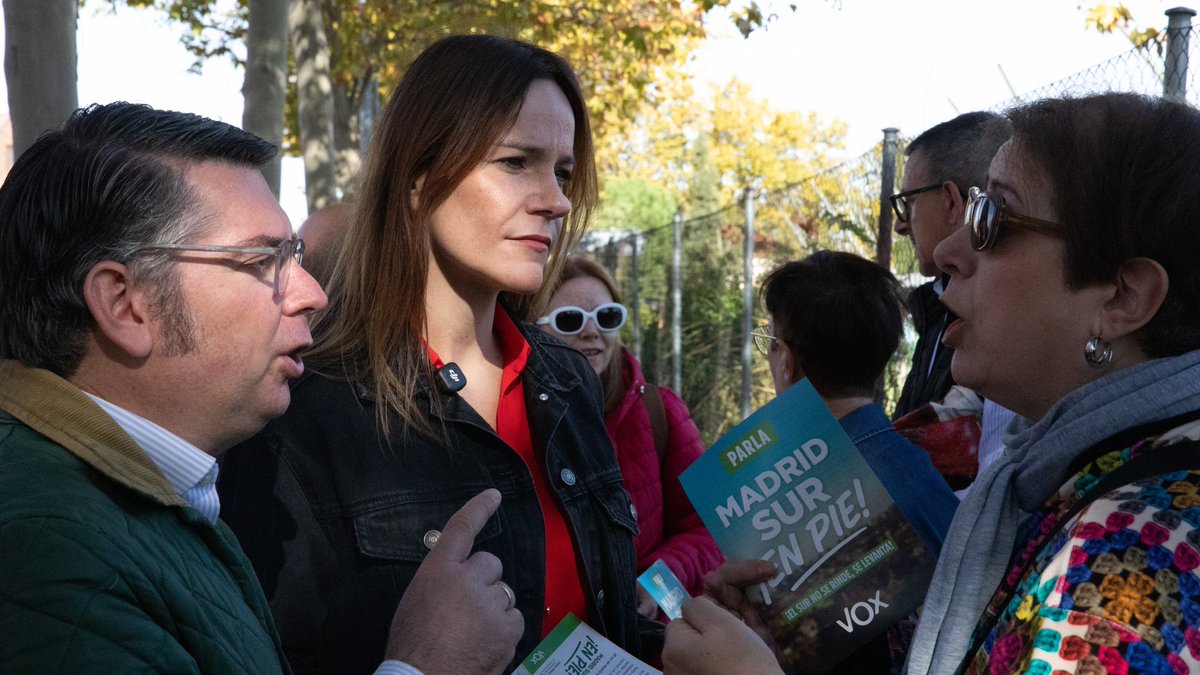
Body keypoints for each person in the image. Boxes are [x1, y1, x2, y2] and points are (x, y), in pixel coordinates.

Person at [666, 92, 1200, 675]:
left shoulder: (1131, 558)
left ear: (1123, 296)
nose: (946, 251)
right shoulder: (1063, 482)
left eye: (994, 220)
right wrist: (798, 635)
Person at [0, 102, 521, 674]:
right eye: (260, 260)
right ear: (126, 304)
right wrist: (426, 665)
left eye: (292, 254)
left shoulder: (139, 496)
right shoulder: (46, 548)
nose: (311, 294)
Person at [218, 35, 658, 675]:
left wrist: (682, 647)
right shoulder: (302, 408)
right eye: (516, 162)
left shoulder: (567, 383)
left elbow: (589, 634)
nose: (557, 200)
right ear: (419, 177)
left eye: (562, 172)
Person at [538, 256, 723, 614]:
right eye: (570, 320)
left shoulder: (660, 412)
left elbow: (710, 529)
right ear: (533, 328)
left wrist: (658, 584)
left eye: (606, 317)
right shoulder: (511, 423)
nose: (591, 332)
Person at [890, 111, 1011, 419]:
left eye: (909, 202)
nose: (900, 226)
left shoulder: (1007, 318)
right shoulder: (935, 307)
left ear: (951, 202)